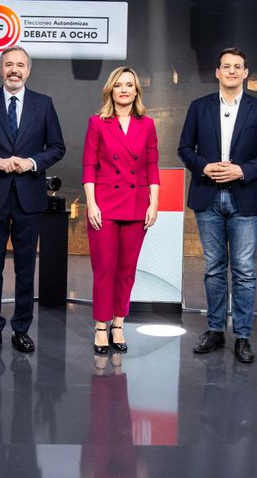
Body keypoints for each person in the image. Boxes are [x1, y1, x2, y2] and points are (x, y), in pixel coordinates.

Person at [177, 47, 257, 363]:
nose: (232, 71)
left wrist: (242, 170)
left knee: (246, 271)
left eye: (238, 66)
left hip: (245, 197)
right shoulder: (199, 107)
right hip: (207, 195)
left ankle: (243, 336)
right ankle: (215, 329)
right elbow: (184, 148)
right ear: (217, 72)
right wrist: (204, 167)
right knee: (213, 269)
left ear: (246, 73)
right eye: (227, 66)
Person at [0, 45, 66, 353]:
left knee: (24, 268)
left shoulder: (43, 104)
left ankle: (21, 328)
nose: (14, 70)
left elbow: (57, 147)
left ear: (28, 70)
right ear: (0, 68)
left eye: (20, 65)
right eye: (9, 64)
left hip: (29, 197)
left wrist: (32, 162)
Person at [82, 66, 160, 354]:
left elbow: (152, 165)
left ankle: (119, 323)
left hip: (137, 204)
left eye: (129, 85)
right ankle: (101, 327)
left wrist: (154, 202)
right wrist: (91, 203)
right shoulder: (97, 122)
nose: (124, 89)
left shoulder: (148, 125)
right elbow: (89, 165)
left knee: (126, 271)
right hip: (104, 204)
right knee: (104, 269)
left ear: (137, 90)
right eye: (119, 85)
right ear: (110, 90)